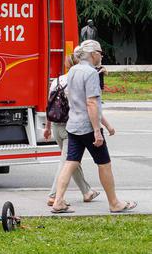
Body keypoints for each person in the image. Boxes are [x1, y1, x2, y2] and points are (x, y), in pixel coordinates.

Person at [51, 39, 136, 214]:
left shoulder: (73, 70)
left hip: (72, 125)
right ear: (93, 54)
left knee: (70, 162)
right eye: (100, 53)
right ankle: (114, 203)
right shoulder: (91, 73)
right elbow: (91, 103)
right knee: (104, 164)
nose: (102, 56)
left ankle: (58, 201)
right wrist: (97, 131)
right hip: (88, 126)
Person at [44, 54, 99, 207]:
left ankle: (87, 192)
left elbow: (50, 104)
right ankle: (54, 196)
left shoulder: (57, 80)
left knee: (72, 160)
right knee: (68, 162)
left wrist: (47, 127)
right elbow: (87, 104)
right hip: (71, 128)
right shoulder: (76, 81)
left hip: (55, 126)